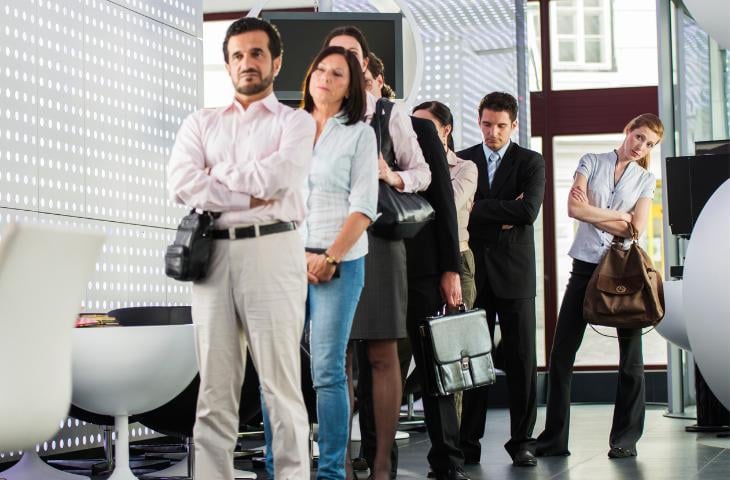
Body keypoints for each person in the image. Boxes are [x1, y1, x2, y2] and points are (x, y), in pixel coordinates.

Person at [166, 17, 312, 479]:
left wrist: (218, 176)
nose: (246, 63)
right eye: (237, 56)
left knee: (281, 389)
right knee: (213, 392)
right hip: (212, 259)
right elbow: (182, 183)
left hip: (273, 253)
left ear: (276, 62)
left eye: (256, 54)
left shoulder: (298, 122)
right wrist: (248, 191)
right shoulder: (200, 122)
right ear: (226, 65)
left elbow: (280, 179)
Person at [323, 27, 433, 480]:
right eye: (336, 55)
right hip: (330, 240)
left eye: (353, 54)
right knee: (336, 358)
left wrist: (391, 175)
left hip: (382, 242)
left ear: (365, 64)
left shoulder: (390, 113)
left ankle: (383, 464)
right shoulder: (313, 116)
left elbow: (425, 172)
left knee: (382, 354)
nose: (345, 62)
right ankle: (342, 463)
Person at [536, 114, 664, 460]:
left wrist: (600, 213)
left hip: (623, 271)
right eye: (639, 137)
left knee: (631, 361)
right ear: (627, 131)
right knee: (562, 354)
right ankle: (554, 439)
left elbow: (635, 228)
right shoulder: (591, 162)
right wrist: (617, 216)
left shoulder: (645, 179)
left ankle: (625, 438)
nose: (641, 147)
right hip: (584, 268)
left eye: (649, 144)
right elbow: (572, 208)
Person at [458, 92, 545, 468]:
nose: (493, 132)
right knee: (473, 360)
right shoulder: (464, 161)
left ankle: (523, 441)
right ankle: (467, 442)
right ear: (479, 122)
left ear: (514, 125)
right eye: (487, 124)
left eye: (501, 126)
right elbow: (457, 212)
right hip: (475, 273)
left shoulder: (531, 161)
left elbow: (528, 211)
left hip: (515, 274)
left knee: (522, 359)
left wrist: (480, 209)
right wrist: (500, 213)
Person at [412, 101, 478, 311]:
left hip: (456, 255)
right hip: (424, 257)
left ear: (446, 129)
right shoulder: (410, 166)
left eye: (425, 125)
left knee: (453, 334)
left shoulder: (464, 167)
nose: (418, 132)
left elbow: (446, 204)